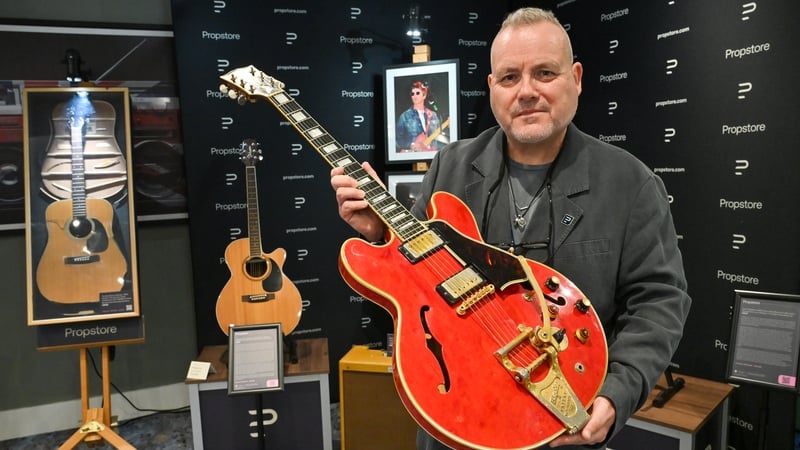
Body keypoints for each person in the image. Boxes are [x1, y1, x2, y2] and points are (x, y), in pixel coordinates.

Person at [331, 7, 691, 450]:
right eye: (509, 78)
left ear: (576, 78)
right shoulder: (450, 165)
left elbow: (659, 300)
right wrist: (380, 232)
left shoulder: (632, 184)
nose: (527, 92)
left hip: (562, 425)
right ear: (492, 89)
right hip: (455, 416)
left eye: (544, 73)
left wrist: (618, 392)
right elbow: (419, 274)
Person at [395, 81, 445, 152]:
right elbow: (397, 140)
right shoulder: (404, 116)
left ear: (424, 95)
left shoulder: (433, 115)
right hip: (413, 155)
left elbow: (437, 137)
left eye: (417, 93)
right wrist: (411, 144)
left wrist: (433, 149)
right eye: (412, 94)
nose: (414, 96)